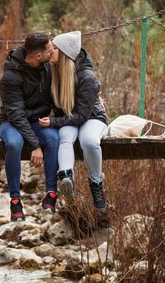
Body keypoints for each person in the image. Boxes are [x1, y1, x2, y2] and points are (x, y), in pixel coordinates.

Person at [39, 31, 108, 211]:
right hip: (69, 119)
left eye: (54, 48)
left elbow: (82, 116)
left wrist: (53, 122)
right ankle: (66, 177)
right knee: (65, 137)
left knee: (89, 141)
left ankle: (96, 183)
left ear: (64, 53)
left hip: (91, 118)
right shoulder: (52, 70)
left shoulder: (86, 77)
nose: (49, 51)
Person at [0, 31, 60, 222]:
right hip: (10, 122)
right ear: (38, 55)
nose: (53, 53)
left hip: (34, 120)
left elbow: (49, 103)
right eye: (50, 50)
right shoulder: (10, 77)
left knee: (53, 138)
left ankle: (51, 195)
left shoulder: (47, 68)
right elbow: (15, 114)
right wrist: (34, 145)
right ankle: (15, 201)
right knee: (14, 144)